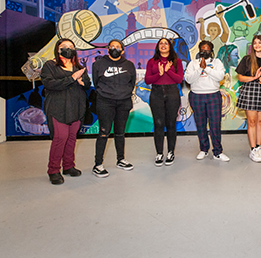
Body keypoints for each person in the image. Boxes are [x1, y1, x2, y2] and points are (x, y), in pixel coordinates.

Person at [40, 38, 90, 185]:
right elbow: (49, 84)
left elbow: (87, 84)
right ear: (58, 49)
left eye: (71, 46)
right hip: (58, 108)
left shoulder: (78, 66)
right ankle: (53, 170)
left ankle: (68, 166)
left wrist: (83, 82)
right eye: (64, 46)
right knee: (60, 138)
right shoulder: (50, 65)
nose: (68, 48)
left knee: (71, 138)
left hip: (76, 108)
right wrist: (72, 78)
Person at [91, 39, 136, 178]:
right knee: (104, 132)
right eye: (112, 46)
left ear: (122, 50)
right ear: (108, 48)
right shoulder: (98, 64)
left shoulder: (129, 65)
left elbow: (132, 82)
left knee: (120, 132)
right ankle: (98, 165)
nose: (115, 48)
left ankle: (120, 160)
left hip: (124, 102)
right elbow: (96, 82)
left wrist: (123, 94)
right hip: (105, 102)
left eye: (118, 47)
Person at [184, 41, 229, 161]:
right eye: (202, 49)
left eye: (207, 49)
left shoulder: (217, 62)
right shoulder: (193, 64)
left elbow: (220, 77)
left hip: (213, 96)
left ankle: (217, 152)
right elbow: (188, 79)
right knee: (200, 124)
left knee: (215, 125)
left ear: (211, 51)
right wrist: (199, 69)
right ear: (199, 50)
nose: (205, 51)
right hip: (197, 96)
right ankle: (204, 149)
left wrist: (206, 69)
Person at [145, 38, 184, 166]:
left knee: (171, 123)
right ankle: (159, 153)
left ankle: (171, 152)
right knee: (158, 123)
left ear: (170, 47)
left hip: (172, 92)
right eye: (161, 43)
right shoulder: (152, 61)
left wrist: (168, 70)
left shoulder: (177, 61)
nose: (163, 45)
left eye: (166, 43)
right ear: (158, 47)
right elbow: (147, 80)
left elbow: (179, 79)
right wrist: (159, 74)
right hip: (156, 93)